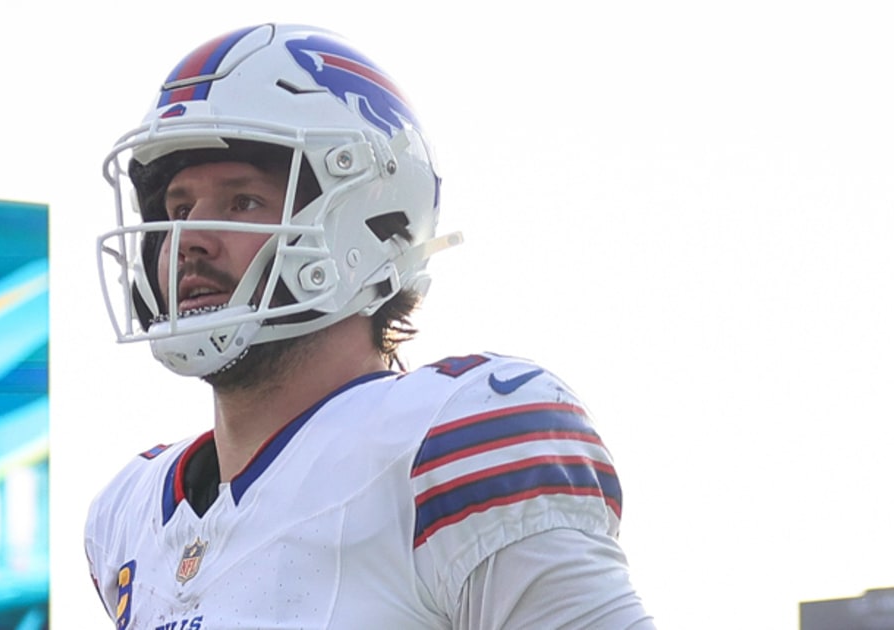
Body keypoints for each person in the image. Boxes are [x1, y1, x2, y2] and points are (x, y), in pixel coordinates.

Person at [86, 23, 654, 629]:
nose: (188, 239)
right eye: (178, 208)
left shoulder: (452, 442)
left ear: (365, 223)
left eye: (243, 202)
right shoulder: (128, 516)